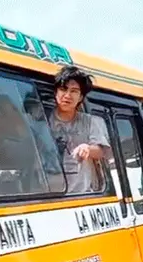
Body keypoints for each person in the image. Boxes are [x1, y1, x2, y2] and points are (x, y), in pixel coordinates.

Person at [49, 65, 111, 194]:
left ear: (81, 97)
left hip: (82, 194)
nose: (67, 95)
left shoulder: (92, 122)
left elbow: (101, 151)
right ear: (56, 93)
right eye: (63, 89)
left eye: (74, 91)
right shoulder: (42, 120)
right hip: (50, 193)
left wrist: (87, 148)